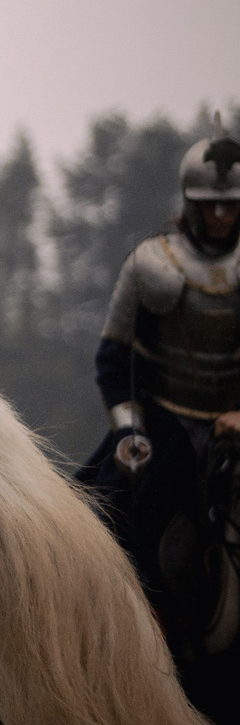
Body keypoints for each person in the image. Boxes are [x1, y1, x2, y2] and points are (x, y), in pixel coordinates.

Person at [88, 129, 240, 679]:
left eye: (230, 203)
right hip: (163, 425)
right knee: (99, 518)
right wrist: (130, 431)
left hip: (236, 430)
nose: (220, 214)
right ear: (191, 203)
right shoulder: (151, 263)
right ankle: (119, 645)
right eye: (209, 204)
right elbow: (112, 360)